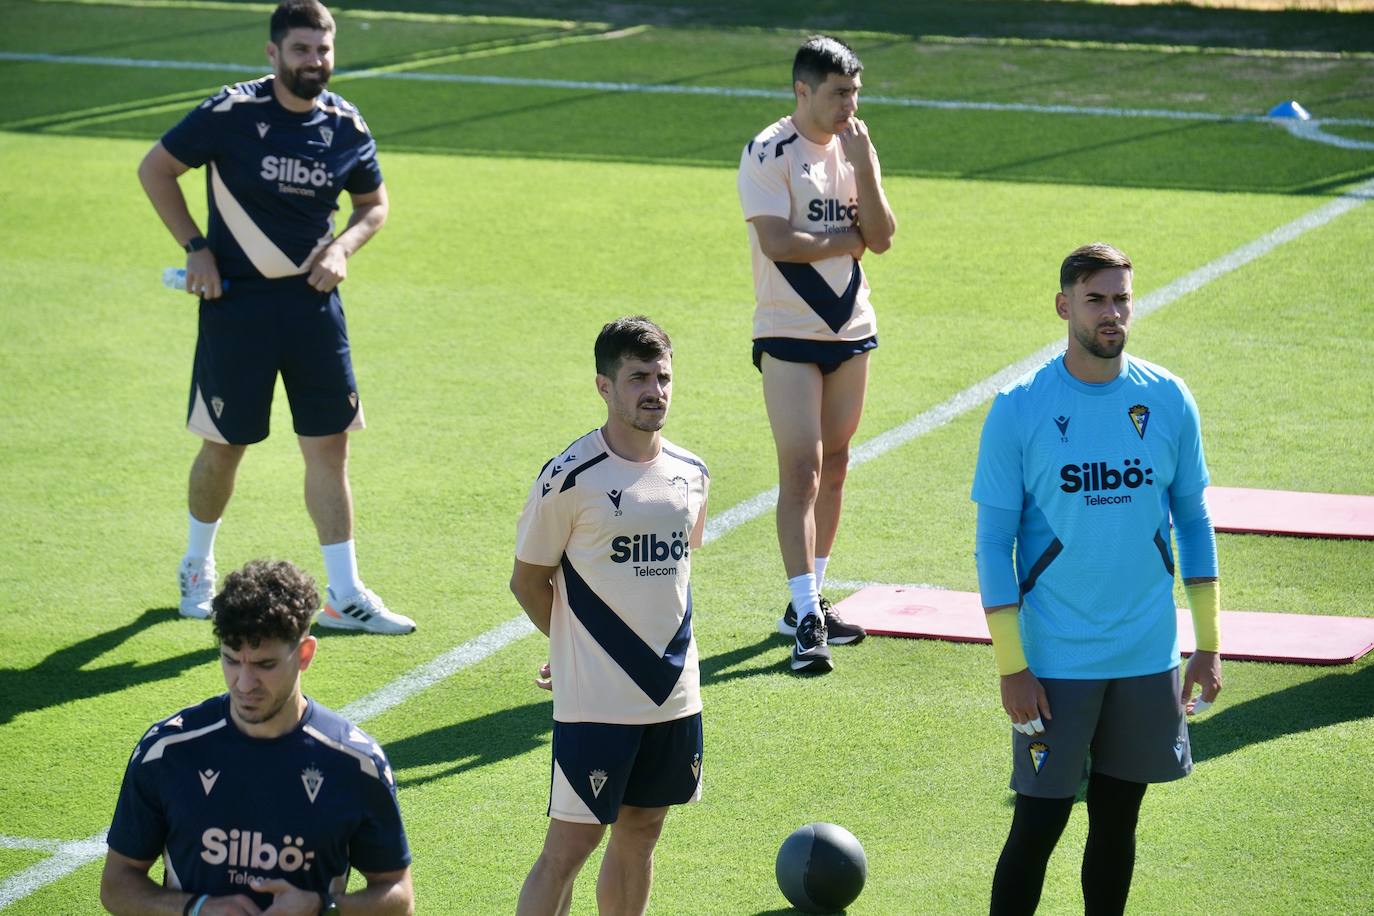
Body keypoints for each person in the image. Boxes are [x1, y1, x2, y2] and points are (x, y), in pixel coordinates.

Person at [137, 0, 413, 634]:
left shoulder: (345, 123)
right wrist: (195, 247)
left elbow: (373, 204)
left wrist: (343, 247)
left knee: (330, 447)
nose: (314, 61)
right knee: (225, 446)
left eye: (323, 49)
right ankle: (197, 567)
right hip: (236, 307)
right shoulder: (230, 112)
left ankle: (344, 595)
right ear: (273, 53)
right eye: (300, 50)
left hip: (313, 306)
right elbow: (156, 169)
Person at [971, 243, 1223, 915]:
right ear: (1064, 307)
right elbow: (993, 546)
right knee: (1038, 825)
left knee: (1118, 823)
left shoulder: (1168, 398)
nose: (1112, 313)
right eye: (1095, 300)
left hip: (1146, 655)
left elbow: (1193, 520)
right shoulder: (1019, 408)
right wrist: (1012, 666)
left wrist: (1207, 644)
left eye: (1121, 299)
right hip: (1056, 662)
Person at [509, 317, 709, 916]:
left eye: (663, 378)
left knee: (642, 831)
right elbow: (528, 580)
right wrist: (569, 647)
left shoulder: (692, 474)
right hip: (596, 701)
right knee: (570, 846)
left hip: (673, 694)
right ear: (604, 386)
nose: (655, 391)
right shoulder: (569, 478)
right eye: (638, 378)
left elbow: (674, 574)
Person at [100, 559, 414, 915]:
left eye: (265, 665)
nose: (244, 684)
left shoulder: (355, 763)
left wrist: (323, 908)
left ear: (305, 654)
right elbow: (117, 884)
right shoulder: (168, 750)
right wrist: (198, 908)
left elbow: (398, 895)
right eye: (231, 660)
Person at [736, 34, 897, 673]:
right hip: (788, 331)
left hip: (851, 328)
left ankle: (809, 602)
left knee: (836, 466)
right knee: (801, 468)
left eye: (854, 92)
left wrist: (866, 169)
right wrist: (843, 239)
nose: (849, 105)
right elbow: (778, 243)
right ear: (802, 90)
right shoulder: (768, 150)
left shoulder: (856, 147)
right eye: (838, 93)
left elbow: (881, 237)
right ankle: (806, 617)